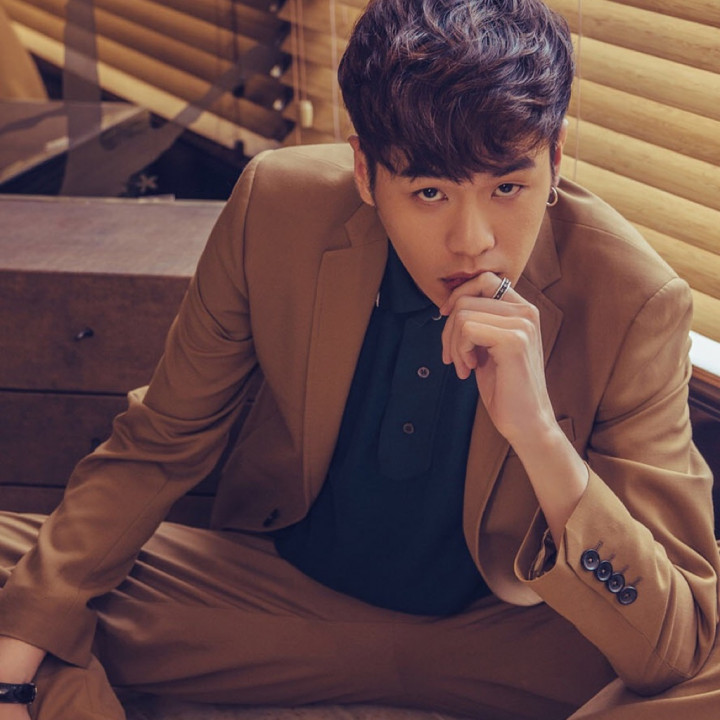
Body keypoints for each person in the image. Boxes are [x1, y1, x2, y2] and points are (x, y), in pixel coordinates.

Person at [1, 0, 719, 718]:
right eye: (430, 192)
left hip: (515, 639)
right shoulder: (276, 208)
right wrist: (15, 660)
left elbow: (674, 645)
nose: (473, 240)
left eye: (508, 187)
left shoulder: (635, 298)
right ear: (366, 173)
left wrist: (539, 437)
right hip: (276, 606)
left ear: (556, 156)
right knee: (25, 587)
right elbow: (160, 443)